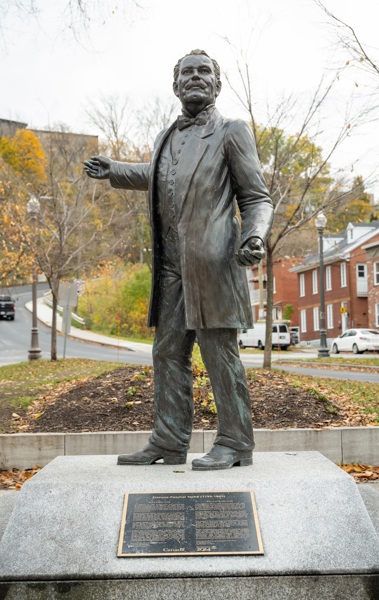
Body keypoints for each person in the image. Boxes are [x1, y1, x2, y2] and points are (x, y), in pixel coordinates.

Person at [84, 49, 274, 470]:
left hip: (213, 264)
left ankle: (236, 443)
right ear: (175, 85)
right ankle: (169, 441)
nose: (195, 77)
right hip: (171, 268)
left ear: (217, 84)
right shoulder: (165, 138)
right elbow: (157, 174)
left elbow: (257, 197)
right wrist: (114, 169)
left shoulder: (231, 132)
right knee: (167, 353)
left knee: (219, 355)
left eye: (204, 71)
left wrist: (254, 235)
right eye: (187, 72)